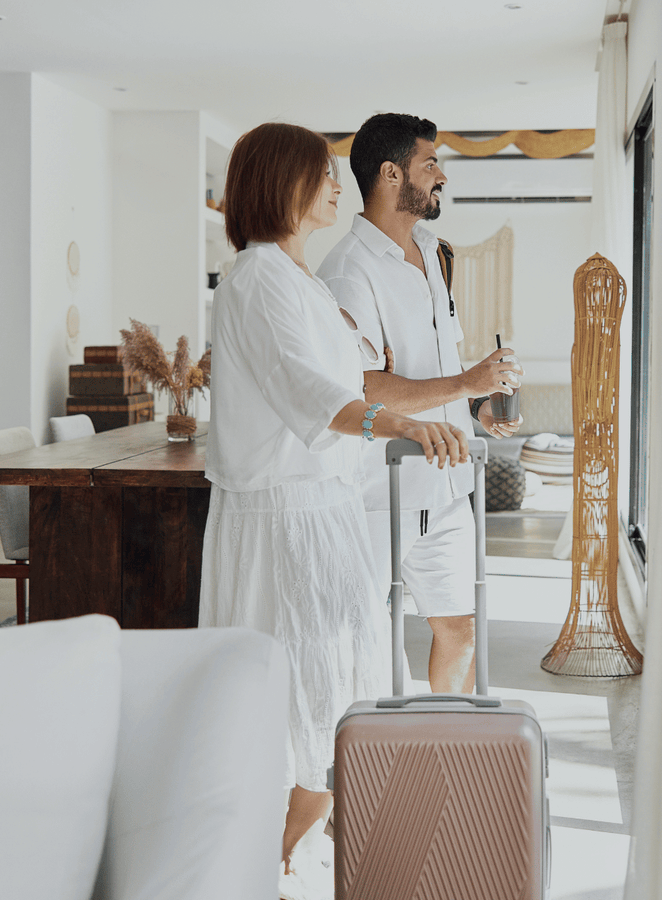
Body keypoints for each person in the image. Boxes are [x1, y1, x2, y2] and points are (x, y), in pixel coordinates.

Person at [199, 122, 471, 891]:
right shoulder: (255, 279)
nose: (335, 186)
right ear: (279, 184)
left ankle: (282, 859)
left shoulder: (298, 278)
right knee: (310, 713)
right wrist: (405, 422)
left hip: (322, 514)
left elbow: (350, 371)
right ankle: (259, 865)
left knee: (335, 704)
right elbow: (317, 397)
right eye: (320, 172)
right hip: (284, 524)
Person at [318, 113, 525, 694]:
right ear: (390, 174)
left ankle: (447, 765)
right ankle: (386, 768)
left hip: (449, 487)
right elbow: (360, 388)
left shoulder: (434, 253)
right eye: (429, 163)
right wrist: (464, 383)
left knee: (460, 628)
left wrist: (473, 409)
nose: (441, 176)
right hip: (378, 497)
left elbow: (426, 371)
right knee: (373, 647)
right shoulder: (346, 272)